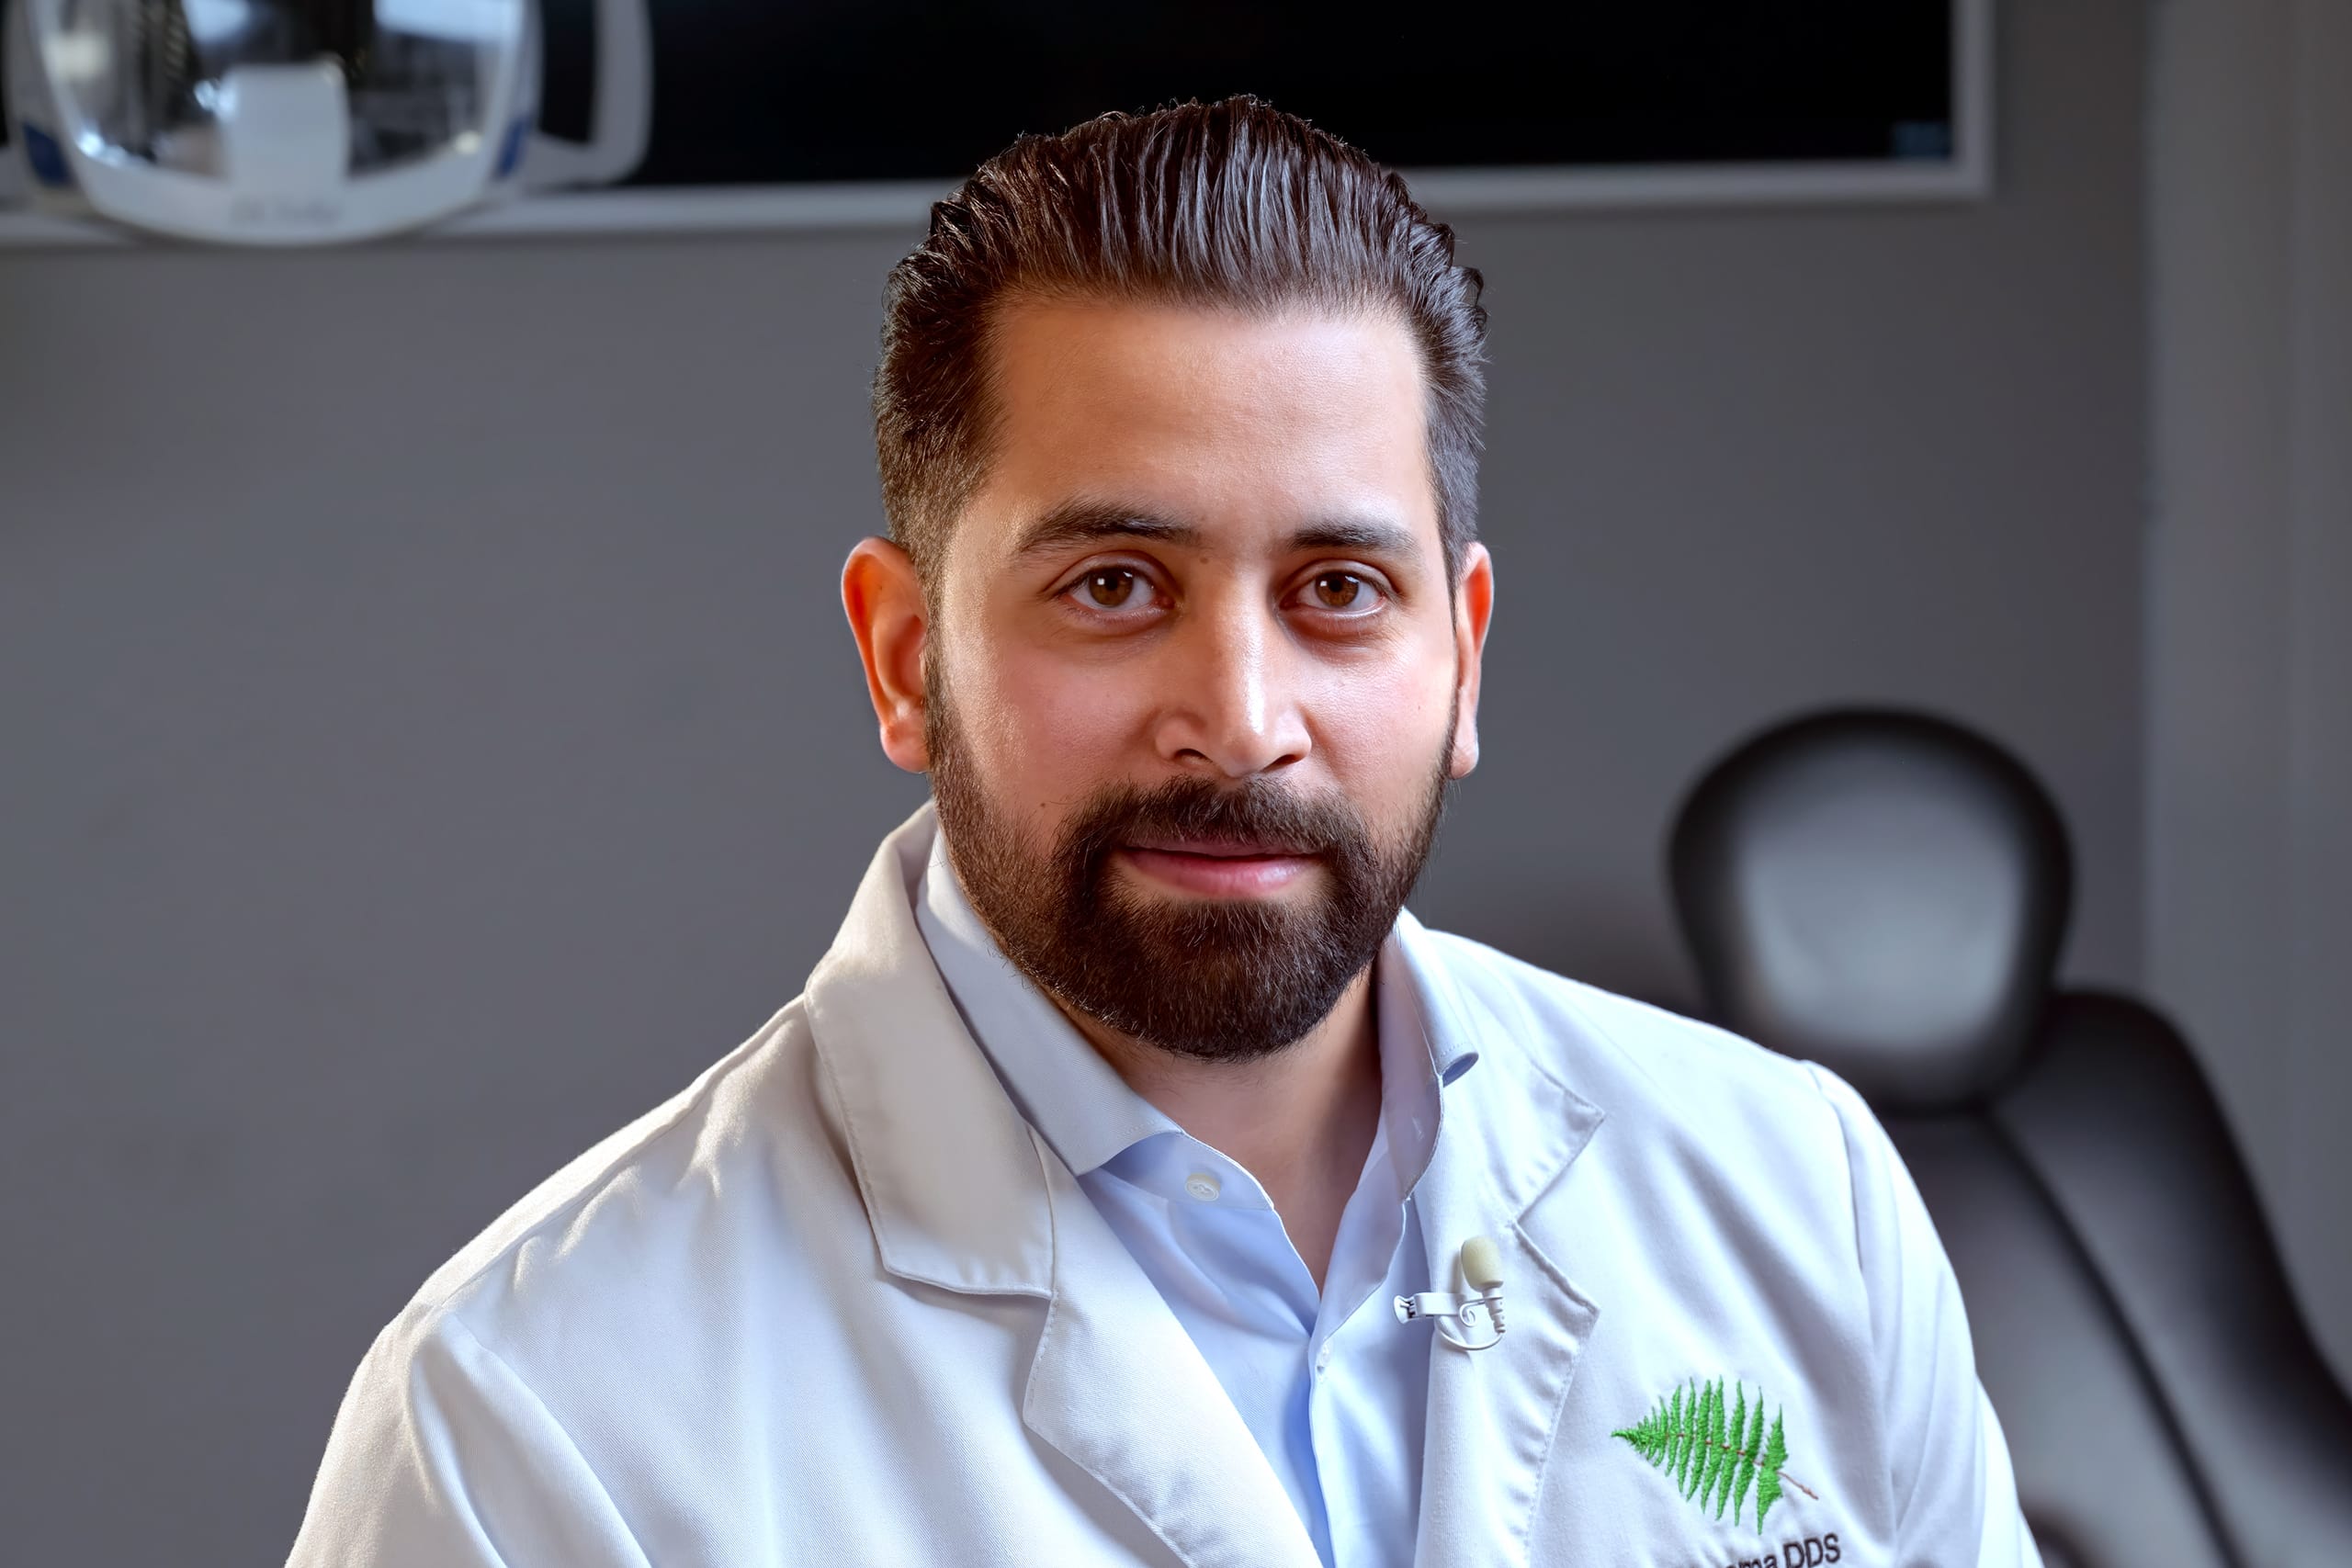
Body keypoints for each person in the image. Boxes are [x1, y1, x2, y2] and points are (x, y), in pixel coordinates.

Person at [288, 96, 2040, 1568]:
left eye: (1341, 590)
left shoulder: (1794, 1196)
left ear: (1464, 657)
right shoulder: (530, 1426)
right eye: (1115, 586)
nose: (1241, 716)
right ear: (908, 661)